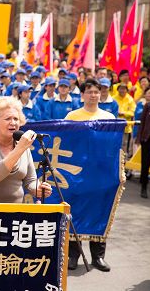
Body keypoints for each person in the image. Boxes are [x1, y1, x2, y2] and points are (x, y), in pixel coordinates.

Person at [65, 78, 115, 272]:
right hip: (77, 173)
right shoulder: (72, 115)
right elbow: (67, 142)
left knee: (100, 212)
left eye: (96, 92)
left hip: (101, 173)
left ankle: (98, 256)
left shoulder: (109, 117)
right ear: (82, 94)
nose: (93, 95)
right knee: (75, 213)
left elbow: (112, 146)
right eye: (90, 92)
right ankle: (73, 255)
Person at [0, 96, 52, 203]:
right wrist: (19, 149)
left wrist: (38, 189)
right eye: (8, 119)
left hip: (16, 214)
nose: (13, 123)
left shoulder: (22, 146)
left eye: (16, 119)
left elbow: (30, 180)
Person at [135, 87, 150, 200]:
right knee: (145, 163)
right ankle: (144, 186)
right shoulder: (148, 106)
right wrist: (139, 138)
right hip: (147, 138)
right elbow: (142, 123)